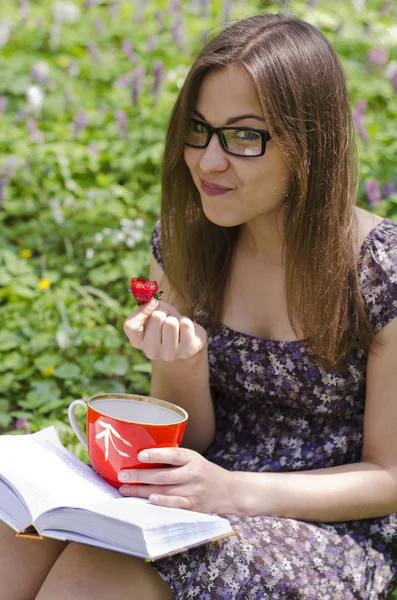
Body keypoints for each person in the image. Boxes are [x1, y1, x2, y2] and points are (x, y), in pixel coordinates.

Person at [1, 11, 397, 600]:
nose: (208, 161)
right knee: (13, 540)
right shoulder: (186, 243)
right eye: (198, 129)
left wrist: (233, 491)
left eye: (244, 136)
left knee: (93, 576)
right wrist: (182, 364)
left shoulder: (378, 270)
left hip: (324, 521)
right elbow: (191, 445)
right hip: (192, 493)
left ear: (310, 143)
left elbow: (388, 478)